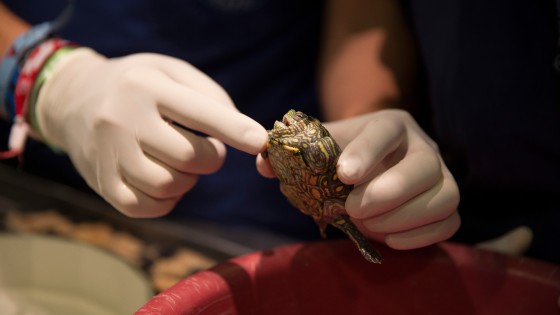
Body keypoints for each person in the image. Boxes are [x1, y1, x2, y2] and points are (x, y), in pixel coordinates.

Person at [0, 0, 556, 265]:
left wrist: (366, 127)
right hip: (32, 174)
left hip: (253, 217)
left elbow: (362, 17)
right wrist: (46, 78)